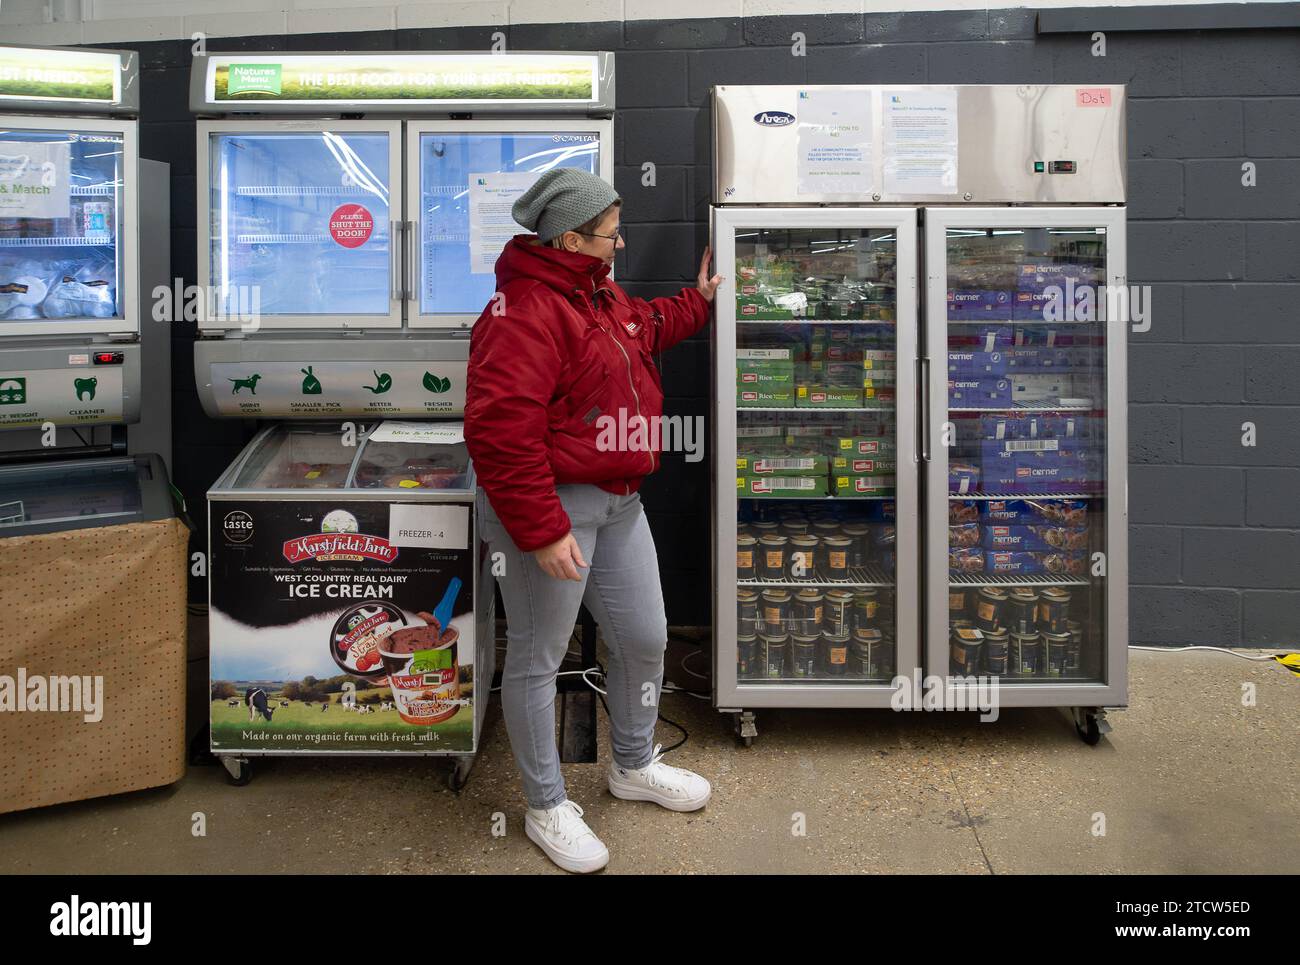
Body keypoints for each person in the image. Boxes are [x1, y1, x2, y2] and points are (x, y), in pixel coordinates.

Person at [464, 168, 722, 873]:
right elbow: (499, 431)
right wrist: (542, 528)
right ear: (570, 238)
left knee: (644, 638)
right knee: (537, 657)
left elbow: (644, 328)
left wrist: (697, 304)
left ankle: (633, 764)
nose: (621, 243)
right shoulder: (522, 312)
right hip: (551, 504)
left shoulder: (596, 294)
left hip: (619, 499)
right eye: (611, 234)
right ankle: (546, 805)